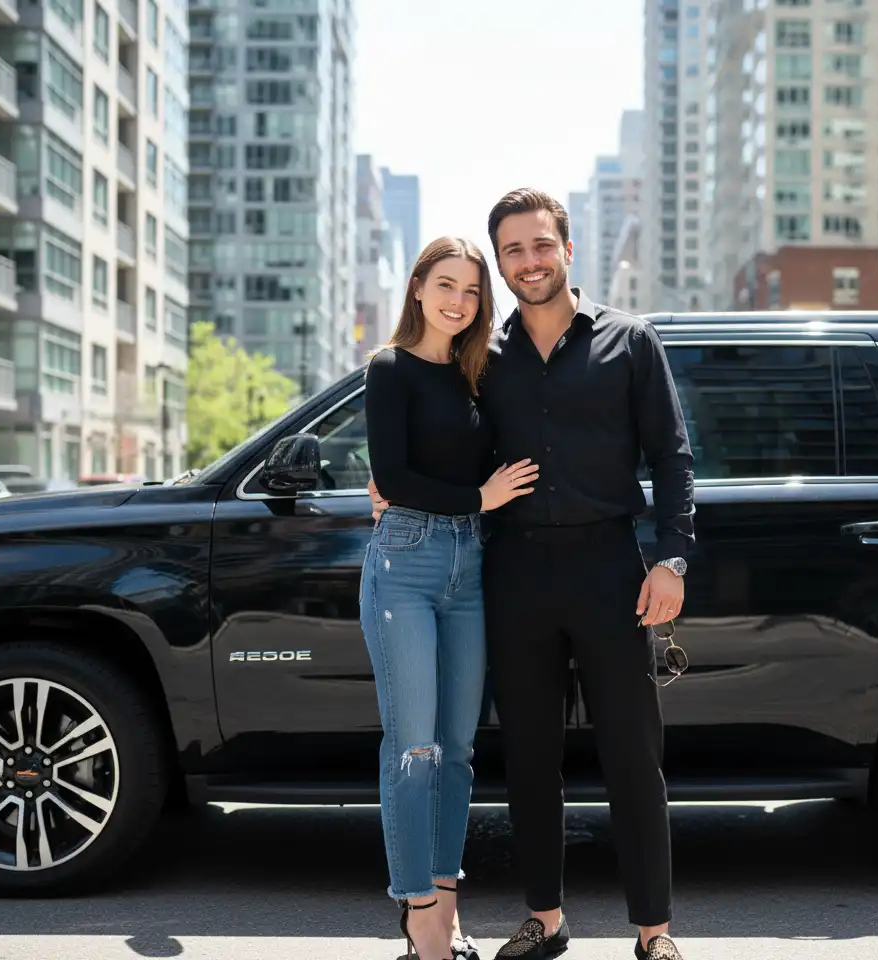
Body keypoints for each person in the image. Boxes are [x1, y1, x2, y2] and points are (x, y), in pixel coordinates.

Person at [370, 189, 695, 960]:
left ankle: (654, 932)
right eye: (512, 250)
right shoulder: (483, 357)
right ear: (502, 263)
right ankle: (544, 918)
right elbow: (447, 442)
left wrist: (673, 557)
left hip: (610, 569)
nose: (530, 260)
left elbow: (672, 456)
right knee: (529, 758)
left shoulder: (629, 340)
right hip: (512, 571)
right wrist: (389, 486)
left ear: (568, 249)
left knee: (633, 755)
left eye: (541, 244)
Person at [361, 236, 540, 960]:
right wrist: (478, 497)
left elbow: (496, 456)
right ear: (417, 288)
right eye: (445, 285)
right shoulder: (388, 368)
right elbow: (393, 477)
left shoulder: (480, 375)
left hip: (471, 564)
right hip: (405, 561)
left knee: (458, 750)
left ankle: (447, 904)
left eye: (471, 290)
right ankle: (420, 913)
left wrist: (480, 501)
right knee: (414, 748)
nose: (458, 301)